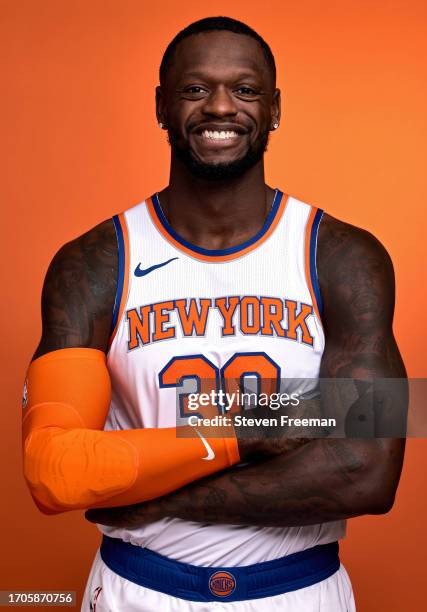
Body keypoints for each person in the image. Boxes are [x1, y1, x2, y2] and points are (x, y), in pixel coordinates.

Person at [22, 16, 406, 612]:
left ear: (275, 108)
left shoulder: (344, 255)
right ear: (160, 106)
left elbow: (369, 471)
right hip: (138, 591)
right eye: (196, 89)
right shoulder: (94, 263)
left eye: (245, 90)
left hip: (298, 592)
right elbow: (54, 469)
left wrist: (161, 496)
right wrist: (254, 425)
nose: (221, 107)